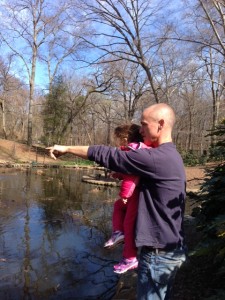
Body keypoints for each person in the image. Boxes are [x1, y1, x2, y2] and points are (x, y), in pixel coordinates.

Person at [46, 103, 187, 300]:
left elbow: (108, 155)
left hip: (158, 254)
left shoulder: (156, 158)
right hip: (169, 248)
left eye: (144, 124)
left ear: (161, 124)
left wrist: (67, 148)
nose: (140, 129)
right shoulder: (170, 155)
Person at [104, 123, 151, 274]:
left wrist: (125, 195)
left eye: (118, 139)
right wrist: (118, 174)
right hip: (134, 194)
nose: (117, 142)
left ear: (125, 138)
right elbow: (127, 172)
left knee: (129, 225)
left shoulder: (133, 151)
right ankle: (118, 232)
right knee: (118, 207)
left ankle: (130, 258)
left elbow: (132, 176)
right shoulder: (133, 150)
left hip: (136, 196)